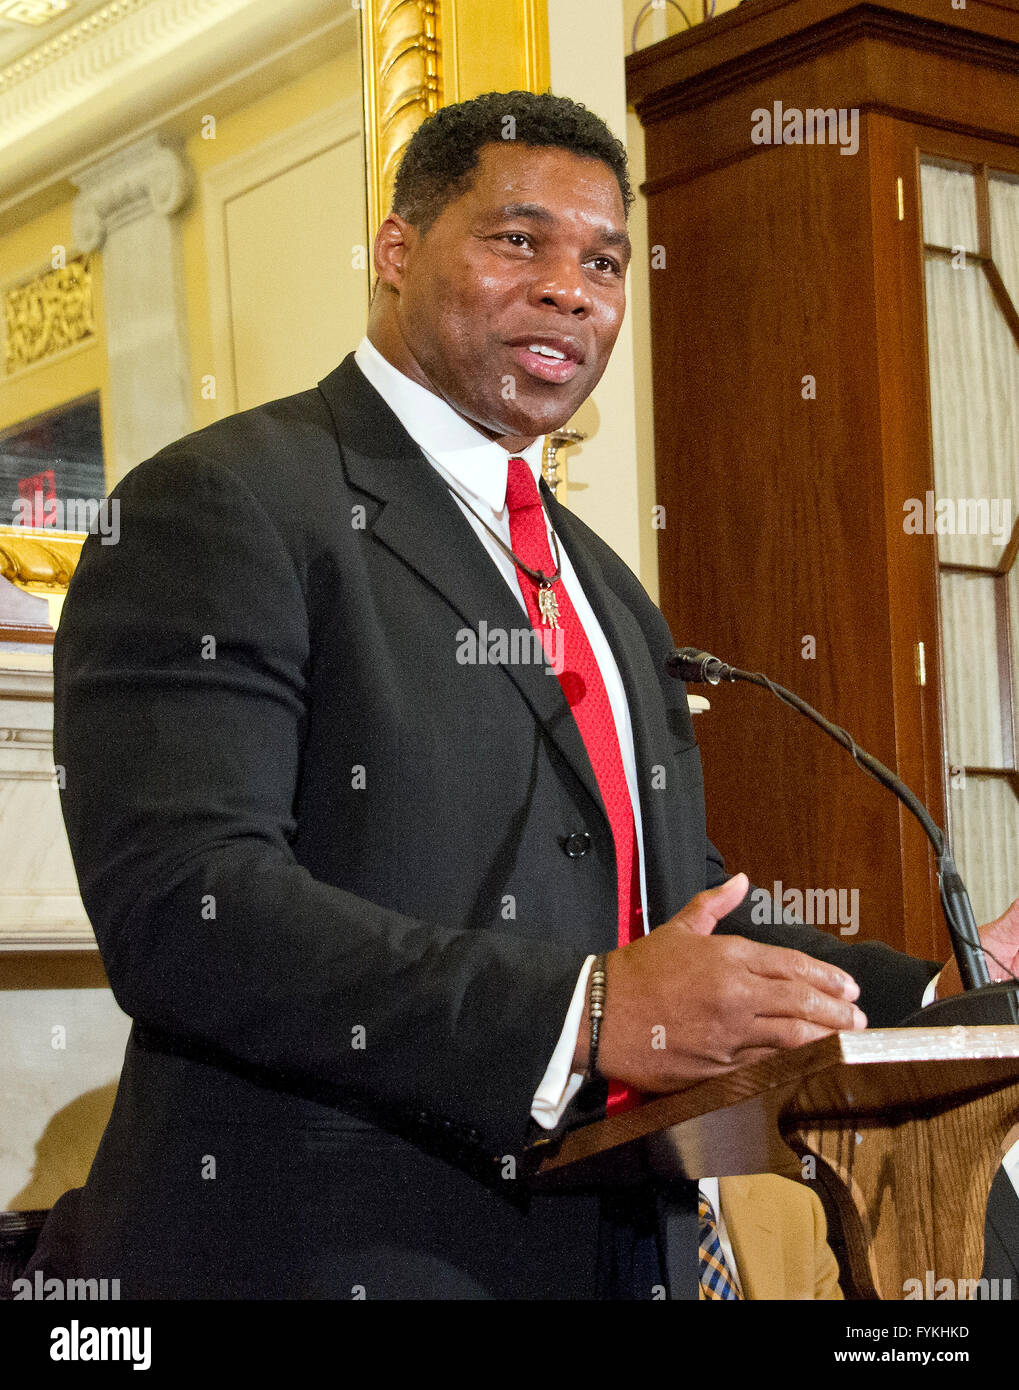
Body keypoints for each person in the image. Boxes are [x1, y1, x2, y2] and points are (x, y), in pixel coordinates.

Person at [26, 90, 1019, 1299]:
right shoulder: (223, 504)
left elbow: (673, 922)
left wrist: (935, 990)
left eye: (603, 260)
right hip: (335, 1246)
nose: (572, 288)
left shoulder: (603, 585)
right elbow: (191, 911)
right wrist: (588, 1009)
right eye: (518, 241)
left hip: (614, 1246)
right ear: (395, 252)